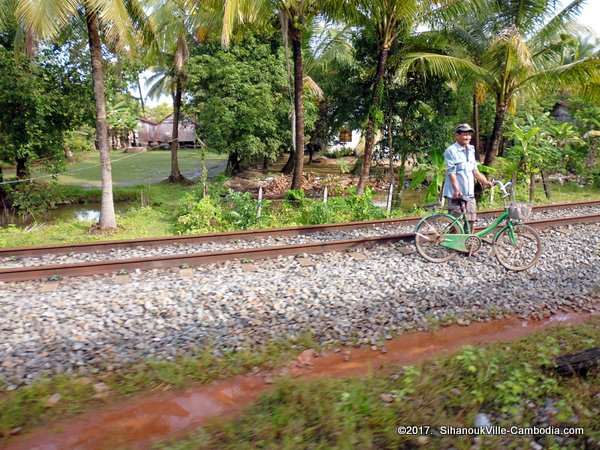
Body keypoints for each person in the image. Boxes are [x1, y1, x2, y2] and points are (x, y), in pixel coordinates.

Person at [442, 123, 492, 232]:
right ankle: (451, 243)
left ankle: (466, 243)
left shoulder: (471, 149)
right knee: (455, 221)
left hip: (469, 192)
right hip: (456, 193)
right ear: (457, 136)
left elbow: (474, 170)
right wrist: (456, 189)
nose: (468, 137)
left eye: (469, 135)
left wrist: (485, 182)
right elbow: (451, 172)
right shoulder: (451, 151)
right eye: (465, 134)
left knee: (471, 219)